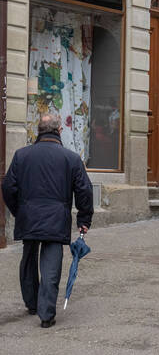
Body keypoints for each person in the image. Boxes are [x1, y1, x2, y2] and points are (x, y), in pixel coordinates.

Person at [2, 114, 93, 328]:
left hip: (28, 216)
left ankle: (32, 303)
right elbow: (84, 191)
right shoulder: (70, 158)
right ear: (59, 131)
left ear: (38, 130)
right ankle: (45, 314)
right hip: (56, 218)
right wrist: (84, 218)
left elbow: (7, 187)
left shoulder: (22, 155)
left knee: (28, 259)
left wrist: (19, 210)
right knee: (51, 264)